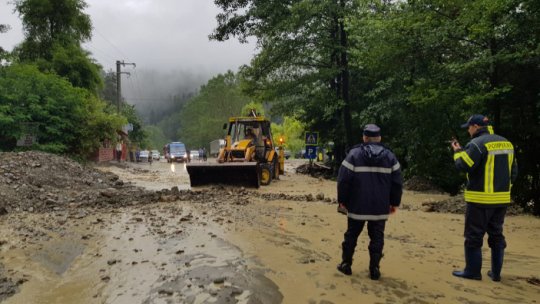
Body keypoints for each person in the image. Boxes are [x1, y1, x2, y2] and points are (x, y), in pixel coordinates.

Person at [450, 114, 518, 281]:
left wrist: (457, 151)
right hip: (501, 199)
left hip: (479, 199)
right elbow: (514, 171)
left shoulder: (477, 144)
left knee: (474, 236)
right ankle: (496, 274)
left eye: (468, 127)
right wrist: (505, 190)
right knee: (497, 236)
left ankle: (472, 272)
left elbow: (463, 166)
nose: (468, 130)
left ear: (475, 127)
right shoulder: (506, 142)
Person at [336, 124, 403, 280]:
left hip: (357, 206)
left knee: (351, 235)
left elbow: (343, 181)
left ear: (364, 138)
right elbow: (397, 183)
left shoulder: (353, 155)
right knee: (377, 237)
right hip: (380, 207)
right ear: (379, 138)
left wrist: (342, 201)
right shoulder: (390, 157)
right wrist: (394, 203)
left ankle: (346, 265)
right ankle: (374, 269)